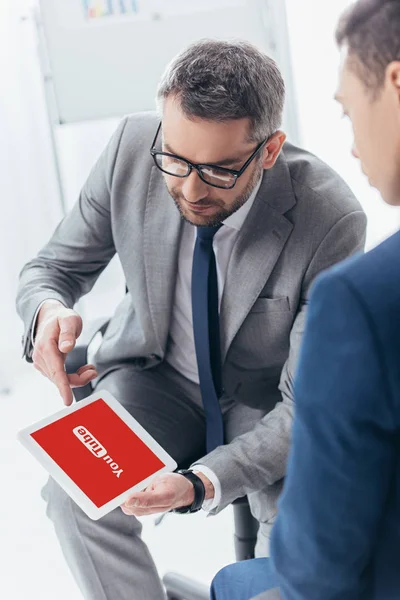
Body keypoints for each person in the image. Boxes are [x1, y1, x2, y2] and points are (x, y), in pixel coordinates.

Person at [16, 40, 366, 600]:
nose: (190, 187)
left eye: (220, 170)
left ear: (270, 150)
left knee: (291, 568)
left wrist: (199, 484)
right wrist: (47, 311)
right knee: (74, 496)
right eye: (176, 160)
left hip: (266, 404)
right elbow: (53, 267)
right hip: (154, 379)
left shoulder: (330, 219)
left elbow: (308, 403)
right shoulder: (134, 147)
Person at [211, 2, 400, 599]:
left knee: (232, 584)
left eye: (349, 111)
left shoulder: (363, 300)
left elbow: (319, 567)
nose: (351, 146)